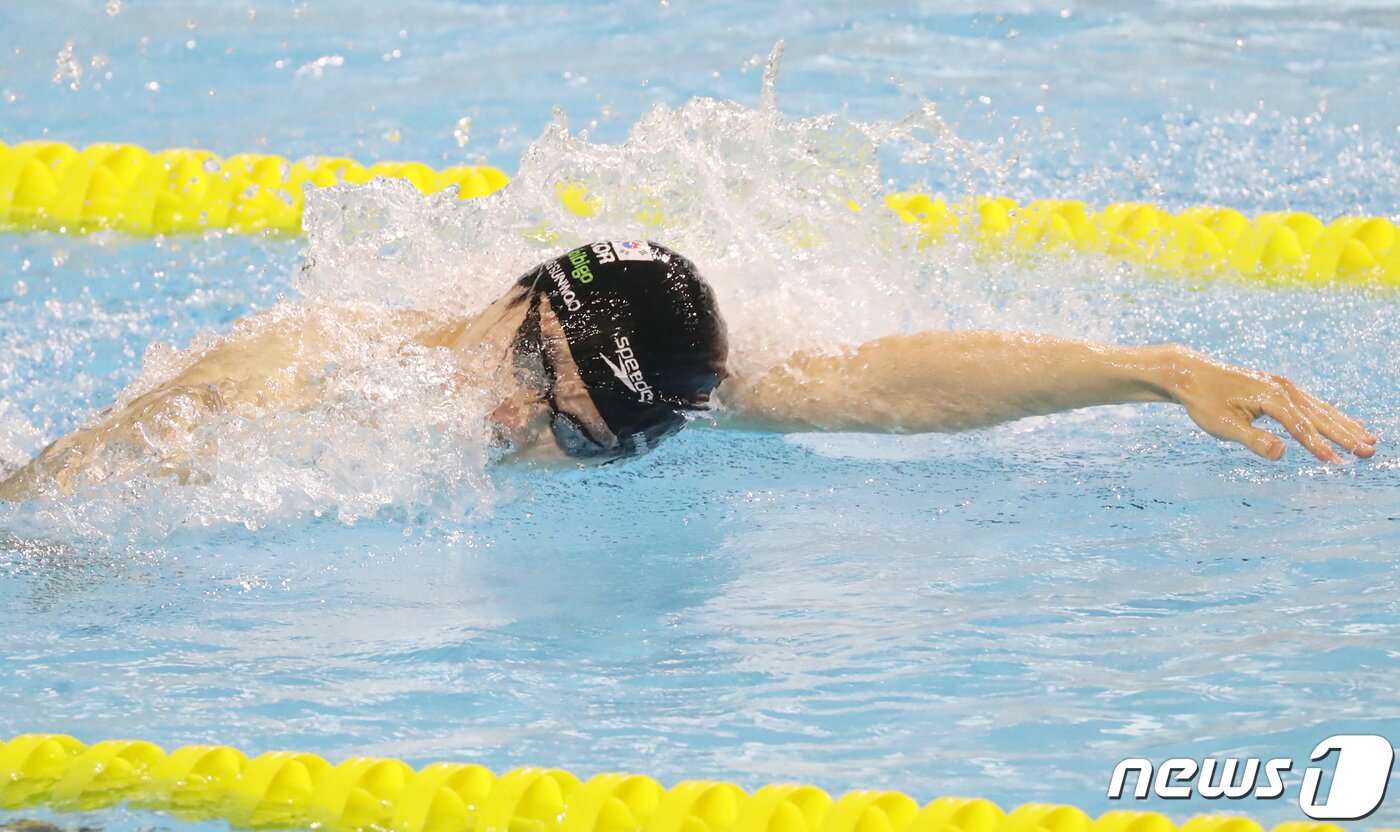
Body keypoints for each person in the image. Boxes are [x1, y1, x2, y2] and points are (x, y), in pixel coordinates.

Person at [0, 240, 1377, 500]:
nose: (506, 413)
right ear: (514, 296)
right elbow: (137, 441)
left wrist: (1149, 370)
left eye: (576, 433)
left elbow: (893, 383)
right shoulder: (326, 364)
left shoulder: (711, 392)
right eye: (532, 362)